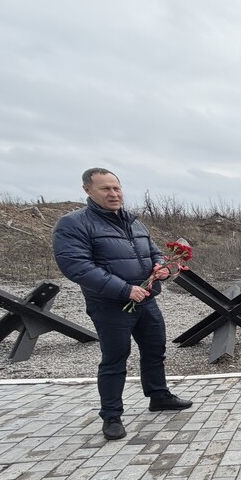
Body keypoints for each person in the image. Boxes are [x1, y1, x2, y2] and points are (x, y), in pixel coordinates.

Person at [52, 168, 193, 441]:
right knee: (115, 359)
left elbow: (152, 252)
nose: (113, 194)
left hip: (146, 299)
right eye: (105, 189)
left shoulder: (133, 222)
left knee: (155, 349)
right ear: (88, 191)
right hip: (109, 304)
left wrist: (161, 268)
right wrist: (124, 290)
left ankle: (158, 395)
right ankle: (112, 415)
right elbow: (76, 266)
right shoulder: (74, 224)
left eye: (116, 188)